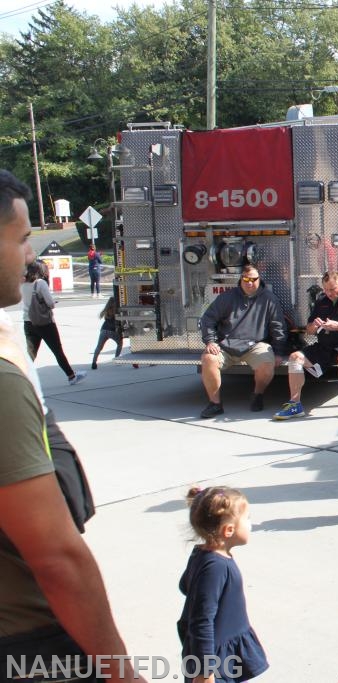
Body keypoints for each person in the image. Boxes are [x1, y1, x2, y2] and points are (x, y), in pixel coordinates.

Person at [0, 169, 146, 683]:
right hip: (28, 645)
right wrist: (120, 670)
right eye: (20, 240)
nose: (27, 257)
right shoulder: (1, 380)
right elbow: (56, 555)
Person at [178, 486, 268, 683]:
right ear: (229, 530)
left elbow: (185, 586)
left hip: (219, 651)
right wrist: (205, 671)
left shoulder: (202, 554)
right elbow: (202, 620)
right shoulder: (216, 567)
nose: (250, 524)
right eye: (247, 519)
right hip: (215, 661)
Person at [274, 271, 338, 421]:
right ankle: (295, 404)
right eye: (325, 289)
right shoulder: (321, 300)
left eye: (332, 289)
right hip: (325, 345)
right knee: (295, 357)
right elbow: (309, 330)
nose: (328, 293)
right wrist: (313, 326)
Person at [198, 264, 287, 418]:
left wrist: (279, 352)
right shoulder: (227, 297)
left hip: (255, 345)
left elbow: (278, 327)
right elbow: (208, 319)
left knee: (267, 363)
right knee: (208, 359)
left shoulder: (269, 299)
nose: (250, 282)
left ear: (259, 279)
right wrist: (210, 341)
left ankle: (257, 395)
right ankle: (215, 404)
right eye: (246, 279)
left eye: (253, 279)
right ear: (241, 279)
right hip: (226, 345)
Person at [22, 259, 87, 385]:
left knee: (31, 353)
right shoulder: (40, 283)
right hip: (45, 323)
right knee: (57, 350)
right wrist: (52, 302)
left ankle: (22, 377)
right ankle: (71, 376)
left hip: (28, 322)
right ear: (40, 270)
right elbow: (50, 304)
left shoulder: (23, 284)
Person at [91, 295, 123, 369]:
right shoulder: (117, 310)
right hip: (113, 331)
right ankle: (117, 359)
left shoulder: (106, 310)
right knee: (119, 343)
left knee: (99, 347)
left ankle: (94, 362)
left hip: (104, 330)